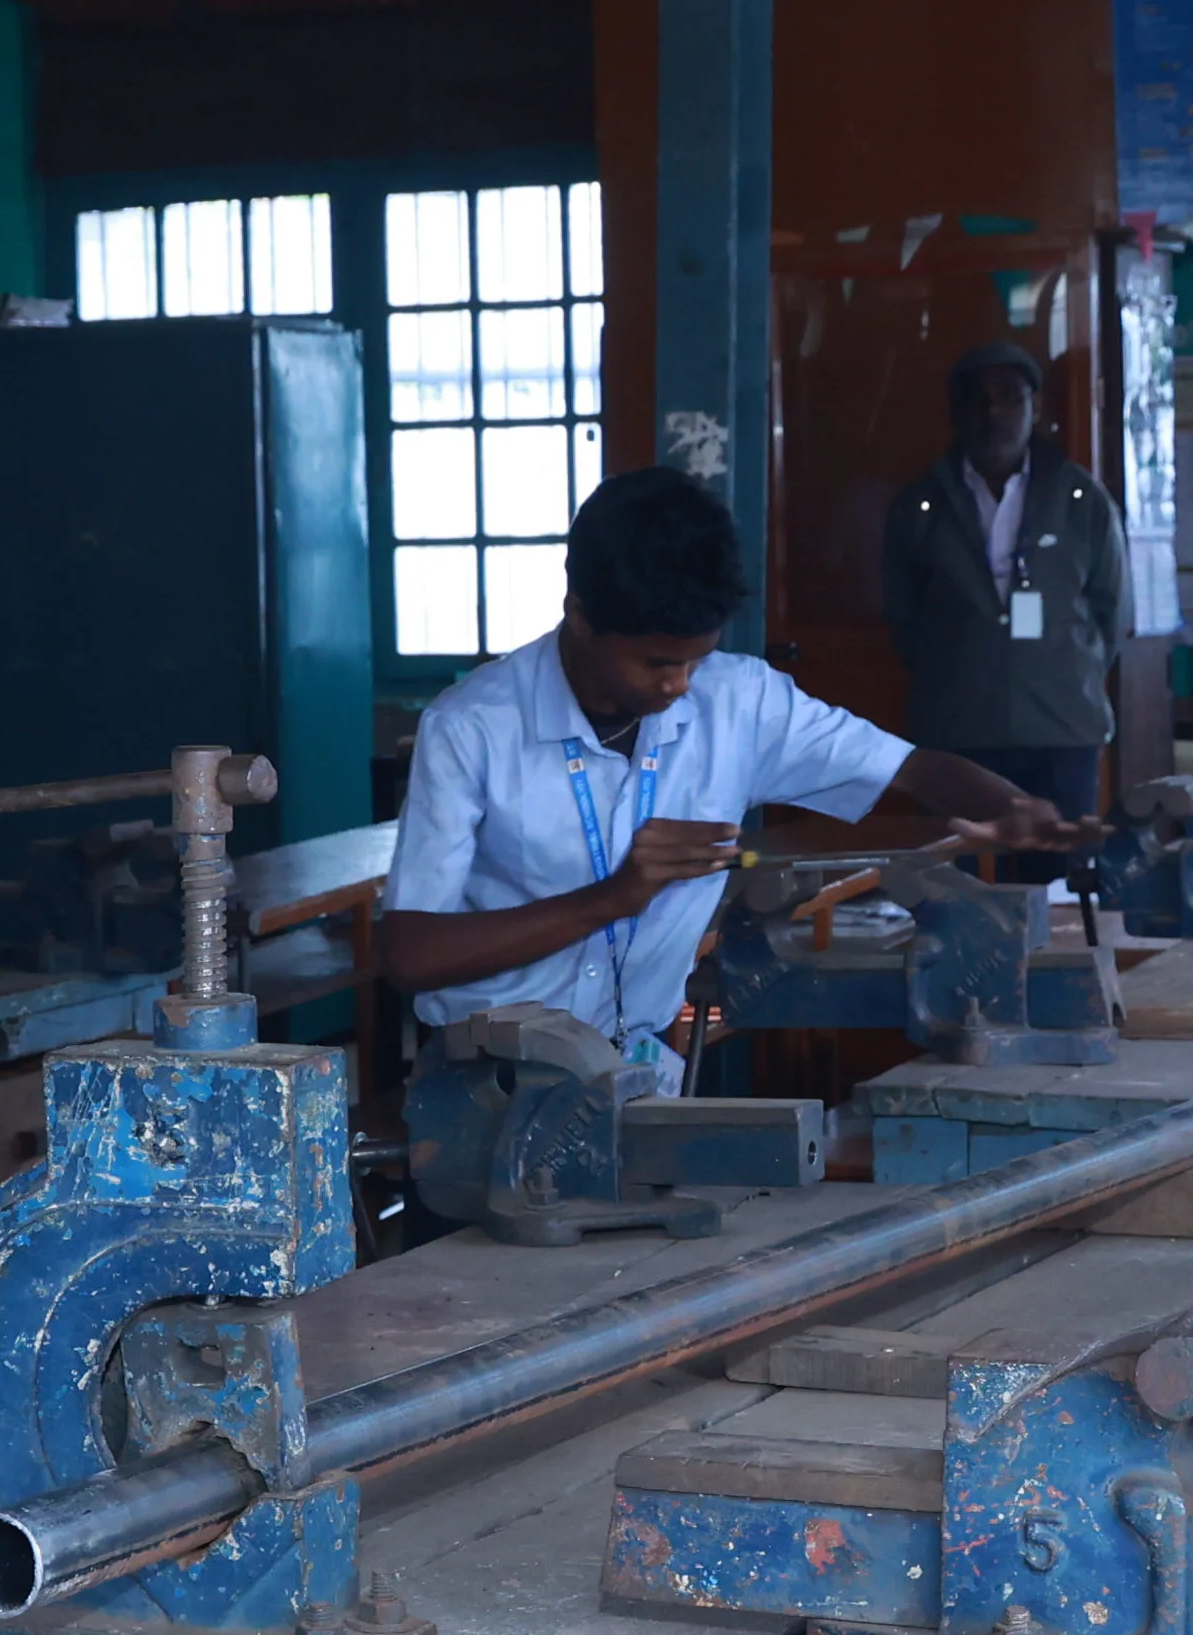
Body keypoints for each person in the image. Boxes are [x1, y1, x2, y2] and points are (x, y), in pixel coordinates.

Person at [383, 463, 1095, 1094]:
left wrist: (1007, 804)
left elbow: (911, 767)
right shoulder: (471, 728)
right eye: (658, 663)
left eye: (695, 661)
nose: (678, 685)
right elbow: (411, 954)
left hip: (638, 1078)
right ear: (579, 614)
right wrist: (614, 897)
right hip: (490, 1088)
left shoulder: (740, 700)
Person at [876, 342, 1124, 828]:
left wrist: (1061, 669)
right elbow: (903, 617)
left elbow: (1111, 611)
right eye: (978, 398)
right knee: (960, 883)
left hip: (1061, 725)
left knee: (1059, 884)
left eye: (1009, 396)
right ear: (957, 411)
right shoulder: (920, 505)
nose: (993, 411)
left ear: (1036, 407)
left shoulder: (1080, 499)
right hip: (959, 728)